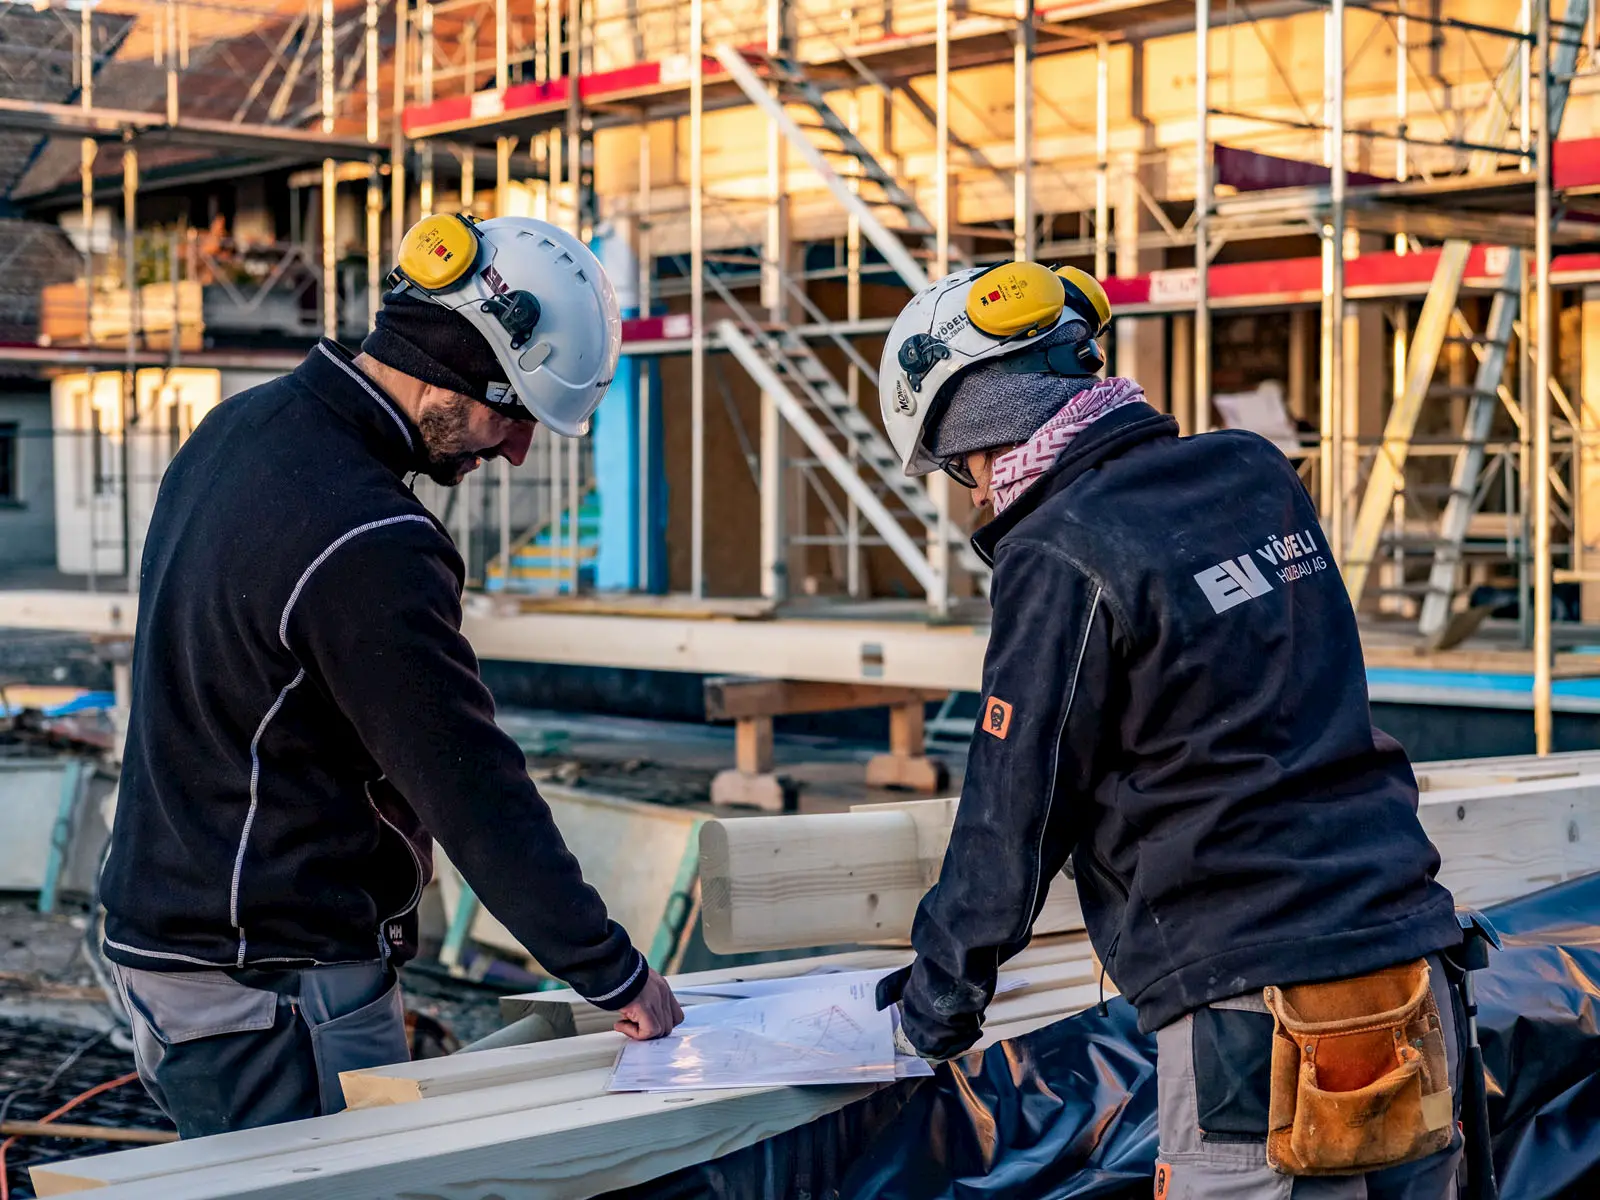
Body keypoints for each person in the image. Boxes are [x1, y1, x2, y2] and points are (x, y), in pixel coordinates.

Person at [875, 261, 1468, 1197]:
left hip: (1251, 1016)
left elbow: (1015, 809)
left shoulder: (1058, 547)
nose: (977, 494)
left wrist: (935, 1005)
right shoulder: (1254, 474)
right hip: (1410, 969)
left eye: (962, 466)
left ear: (980, 420)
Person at [99, 214, 684, 1138]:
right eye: (514, 414)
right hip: (273, 983)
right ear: (455, 365)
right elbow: (470, 787)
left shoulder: (236, 430)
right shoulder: (370, 539)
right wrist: (611, 971)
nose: (516, 449)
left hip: (182, 952)